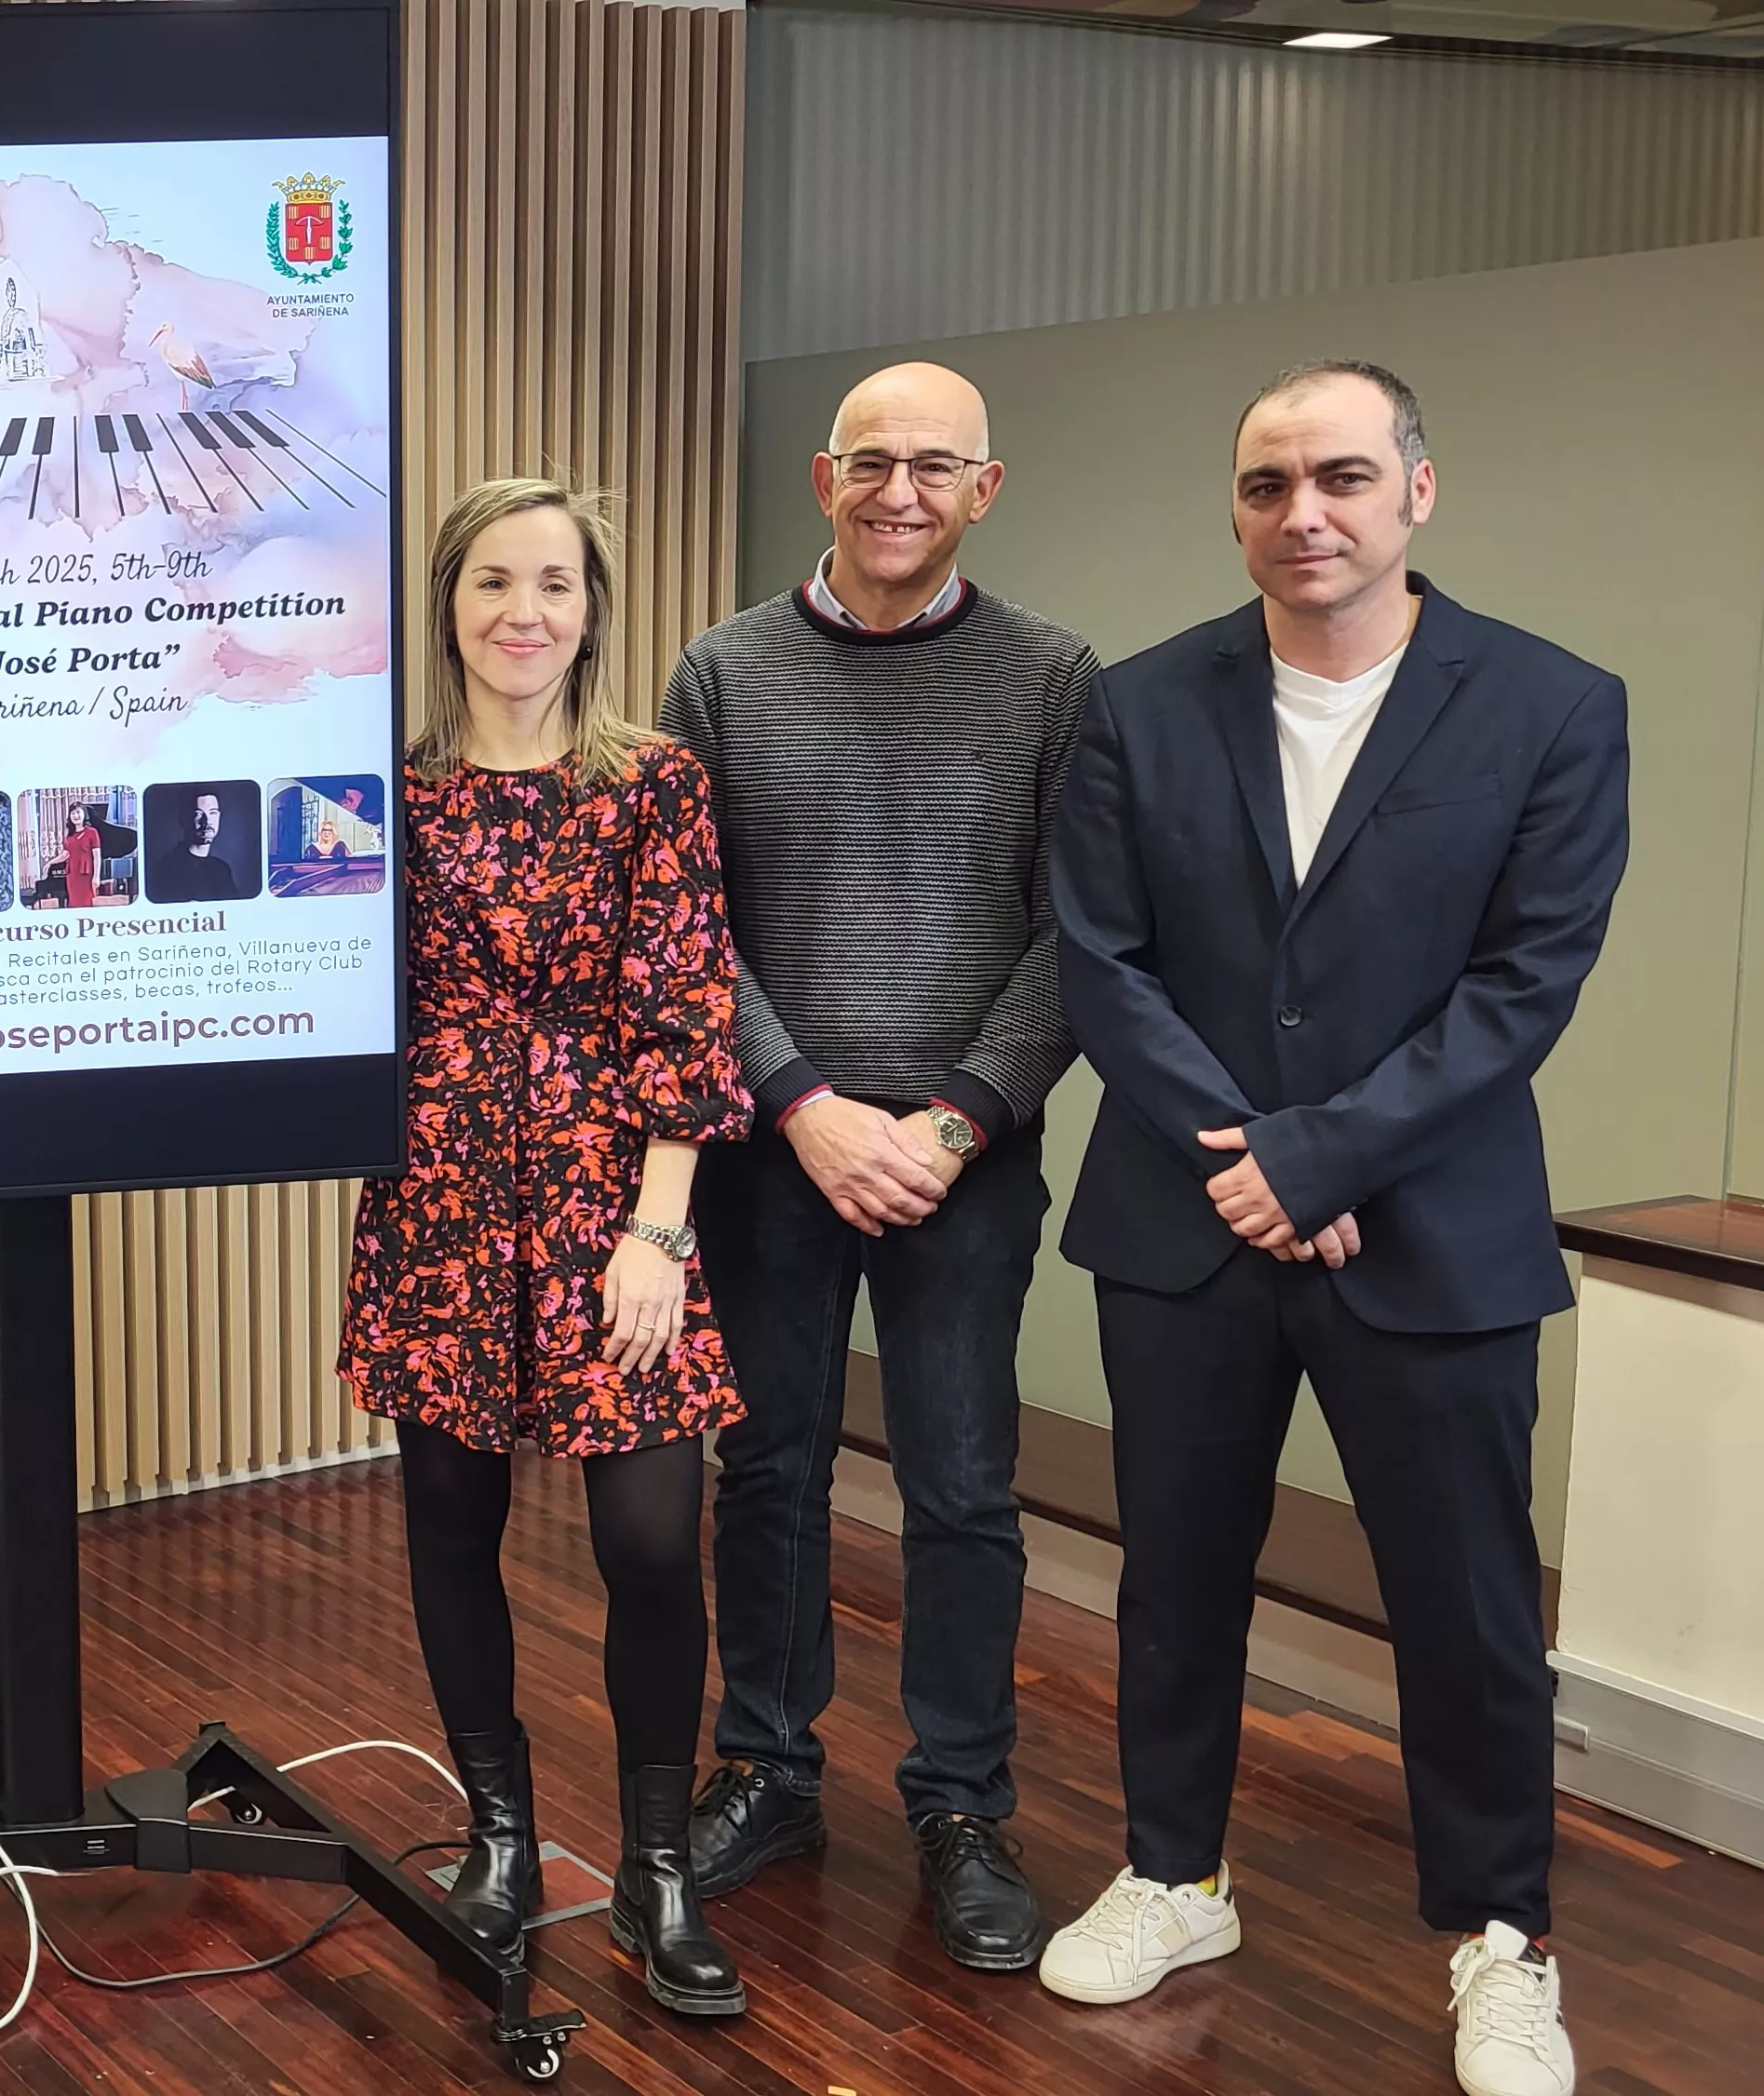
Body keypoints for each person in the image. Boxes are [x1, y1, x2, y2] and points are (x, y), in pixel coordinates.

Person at [1042, 362, 1620, 2096]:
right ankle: (1174, 1870)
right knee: (1178, 1577)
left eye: (1344, 477)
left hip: (1427, 1234)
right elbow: (1100, 957)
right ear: (1236, 507)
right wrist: (1253, 1158)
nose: (1306, 512)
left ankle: (1506, 1939)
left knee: (1467, 1604)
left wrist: (1324, 1158)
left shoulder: (1548, 704)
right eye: (1269, 483)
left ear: (1417, 493)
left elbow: (1528, 981)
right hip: (1187, 1223)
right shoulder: (1139, 706)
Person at [658, 362, 1094, 1973]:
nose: (898, 491)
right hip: (779, 1151)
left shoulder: (1053, 676)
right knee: (766, 1470)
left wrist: (959, 1118)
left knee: (963, 1486)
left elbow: (1079, 934)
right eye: (871, 464)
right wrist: (803, 1105)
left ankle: (962, 1800)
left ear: (986, 488)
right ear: (825, 479)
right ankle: (766, 1764)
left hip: (960, 1157)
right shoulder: (722, 670)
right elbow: (690, 925)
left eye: (935, 467)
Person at [342, 479, 752, 2017]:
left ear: (592, 607)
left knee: (651, 1537)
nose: (527, 610)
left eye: (557, 584)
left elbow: (688, 1003)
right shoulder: (387, 790)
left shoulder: (653, 783)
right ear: (448, 602)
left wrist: (658, 1225)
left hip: (609, 1194)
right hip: (440, 1188)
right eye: (495, 580)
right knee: (450, 1524)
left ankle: (657, 1870)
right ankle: (501, 1840)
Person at [143, 785, 257, 903]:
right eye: (198, 814)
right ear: (183, 819)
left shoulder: (221, 869)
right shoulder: (167, 869)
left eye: (212, 813)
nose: (207, 822)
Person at [58, 799, 137, 907]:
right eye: (73, 813)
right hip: (72, 874)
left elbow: (97, 856)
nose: (75, 816)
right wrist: (50, 863)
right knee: (73, 903)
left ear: (84, 815)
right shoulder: (70, 835)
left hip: (85, 873)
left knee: (85, 902)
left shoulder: (92, 832)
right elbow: (65, 854)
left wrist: (96, 877)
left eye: (78, 813)